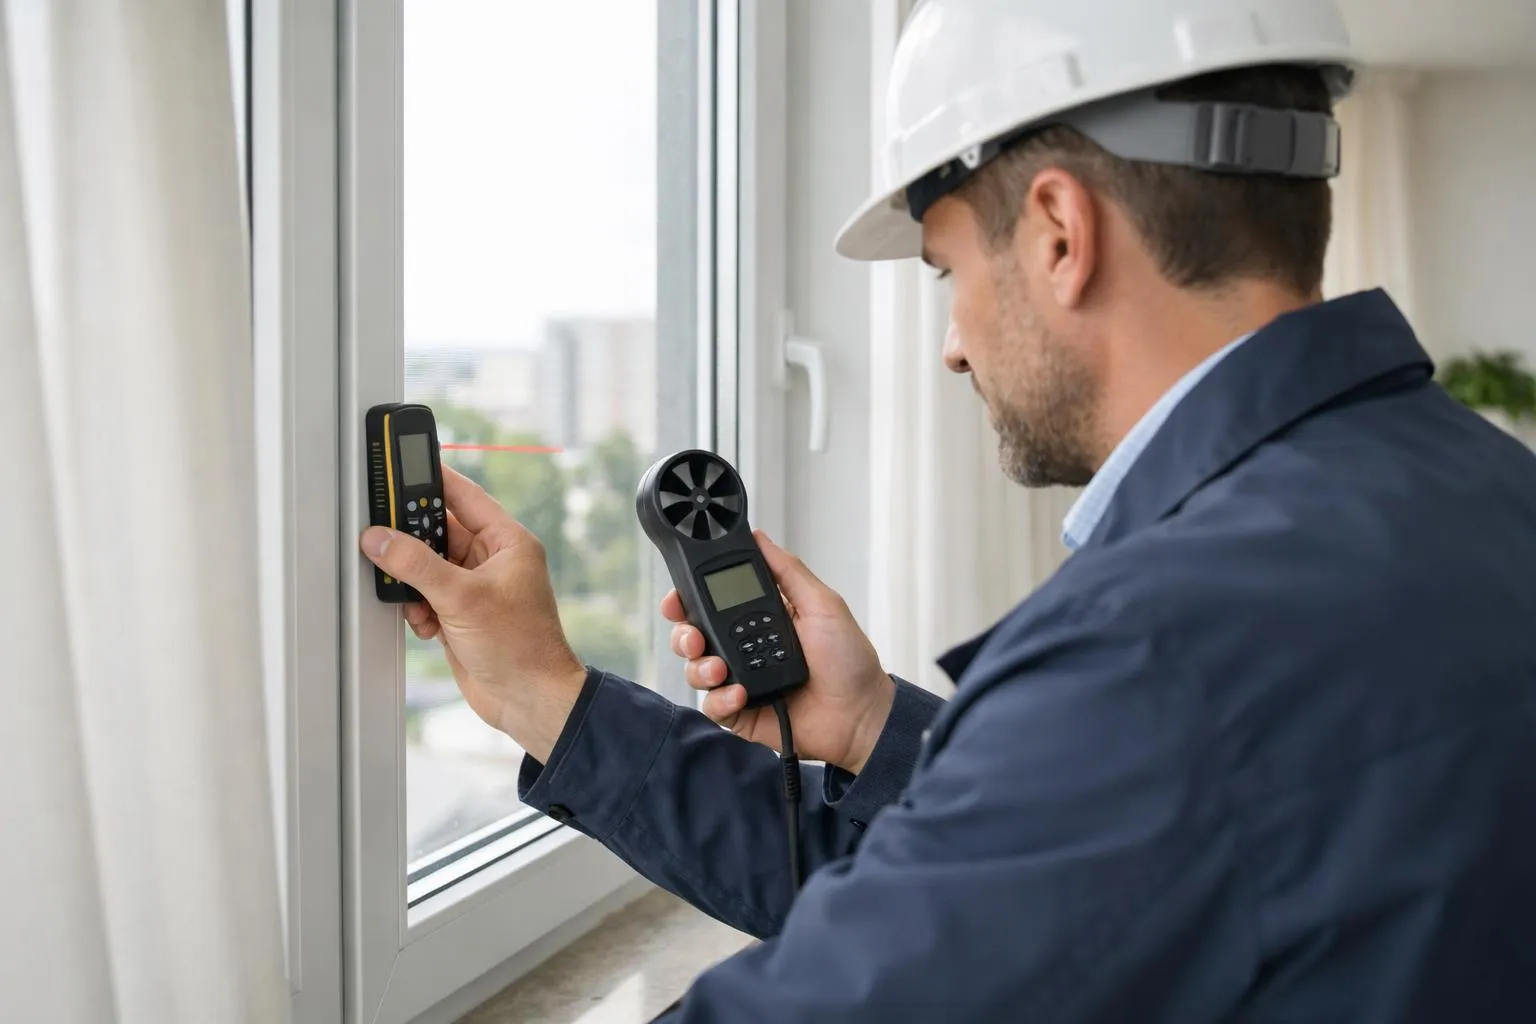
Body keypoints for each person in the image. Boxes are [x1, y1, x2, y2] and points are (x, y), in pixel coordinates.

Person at [361, 0, 1536, 1019]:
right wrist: (863, 726)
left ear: (1062, 235)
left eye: (948, 271)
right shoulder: (1485, 493)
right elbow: (1032, 891)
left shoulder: (1161, 647)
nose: (953, 347)